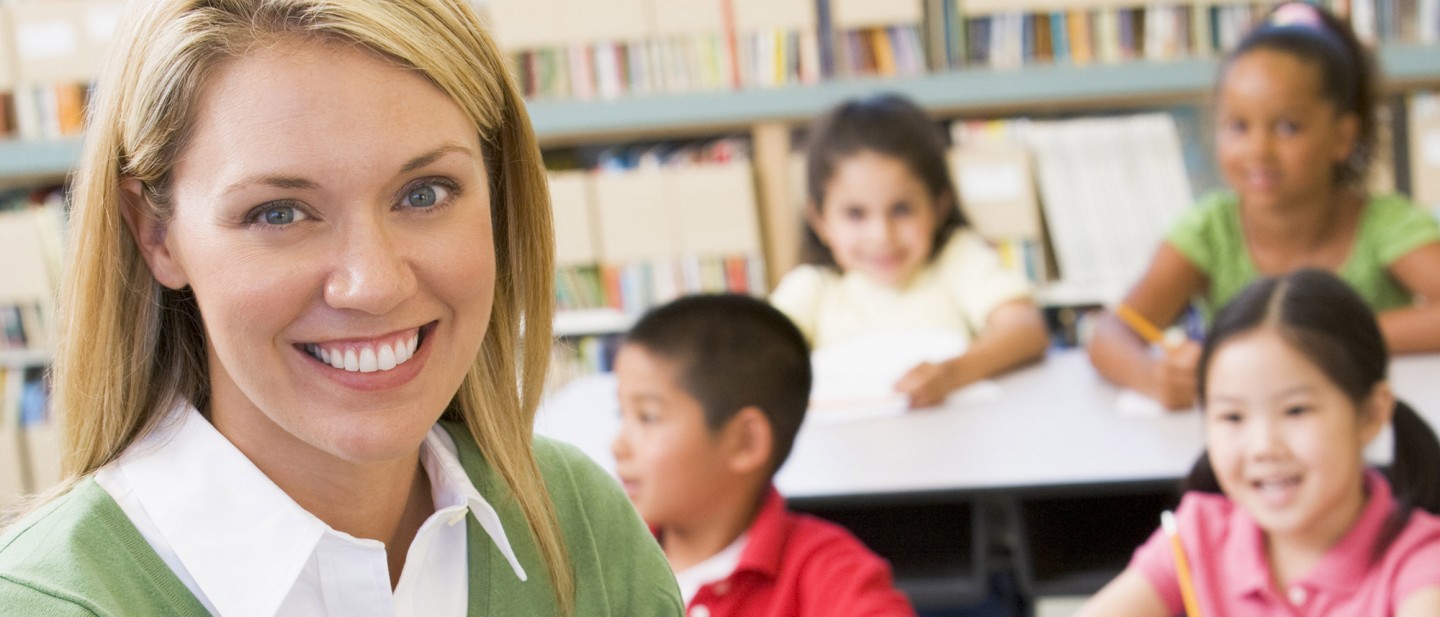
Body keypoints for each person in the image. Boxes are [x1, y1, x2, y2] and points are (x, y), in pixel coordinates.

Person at [0, 1, 682, 615]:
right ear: (155, 233)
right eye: (280, 211)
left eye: (425, 193)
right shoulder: (50, 600)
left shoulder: (580, 524)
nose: (374, 283)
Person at [1088, 2, 1440, 410]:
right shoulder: (1210, 229)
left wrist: (1311, 339)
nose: (1259, 150)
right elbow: (1109, 333)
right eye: (1238, 126)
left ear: (1343, 137)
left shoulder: (1385, 223)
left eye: (1288, 127)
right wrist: (1152, 377)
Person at [1076, 269, 1440, 616]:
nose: (1263, 446)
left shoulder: (1420, 559)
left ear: (1372, 414)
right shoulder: (1197, 535)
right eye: (1232, 416)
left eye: (1296, 411)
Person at [611, 294, 917, 616]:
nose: (618, 445)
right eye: (621, 413)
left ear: (746, 442)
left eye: (647, 416)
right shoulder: (599, 558)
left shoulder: (830, 571)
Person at [769, 94, 1048, 408]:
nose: (881, 235)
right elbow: (755, 355)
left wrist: (951, 374)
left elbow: (1026, 330)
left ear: (939, 205)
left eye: (901, 209)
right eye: (855, 214)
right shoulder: (813, 288)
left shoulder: (956, 261)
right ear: (820, 220)